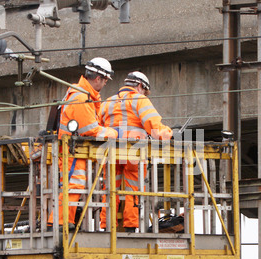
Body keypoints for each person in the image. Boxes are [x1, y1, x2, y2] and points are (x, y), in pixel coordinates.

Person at [48, 57, 118, 228]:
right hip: (72, 151)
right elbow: (91, 130)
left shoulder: (84, 95)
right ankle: (59, 222)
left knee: (74, 185)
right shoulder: (81, 98)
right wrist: (113, 132)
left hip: (74, 150)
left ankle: (62, 221)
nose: (106, 84)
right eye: (106, 80)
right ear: (98, 78)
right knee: (73, 185)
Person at [98, 71, 173, 232]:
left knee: (109, 189)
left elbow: (96, 126)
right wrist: (168, 134)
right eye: (145, 91)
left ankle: (106, 225)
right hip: (133, 152)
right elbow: (154, 126)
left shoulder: (108, 102)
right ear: (140, 86)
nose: (145, 94)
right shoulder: (140, 100)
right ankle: (131, 226)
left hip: (110, 152)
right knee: (133, 189)